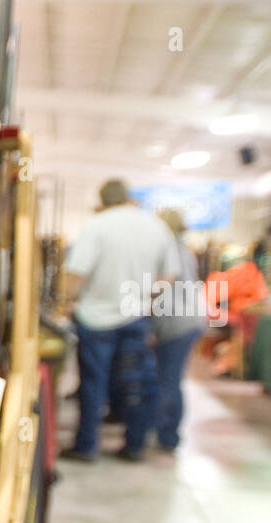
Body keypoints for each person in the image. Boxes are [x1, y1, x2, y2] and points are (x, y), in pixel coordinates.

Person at [61, 179, 178, 462]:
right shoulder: (155, 226)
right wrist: (146, 301)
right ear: (128, 197)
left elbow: (76, 273)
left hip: (95, 319)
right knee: (135, 384)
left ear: (102, 200)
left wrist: (66, 302)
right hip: (134, 316)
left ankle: (87, 445)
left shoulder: (97, 226)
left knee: (93, 384)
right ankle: (135, 444)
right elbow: (170, 275)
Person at [151, 209, 207, 452]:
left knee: (169, 379)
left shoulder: (169, 250)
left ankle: (168, 435)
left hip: (177, 323)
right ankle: (167, 431)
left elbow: (164, 289)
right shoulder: (183, 250)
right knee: (171, 378)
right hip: (188, 320)